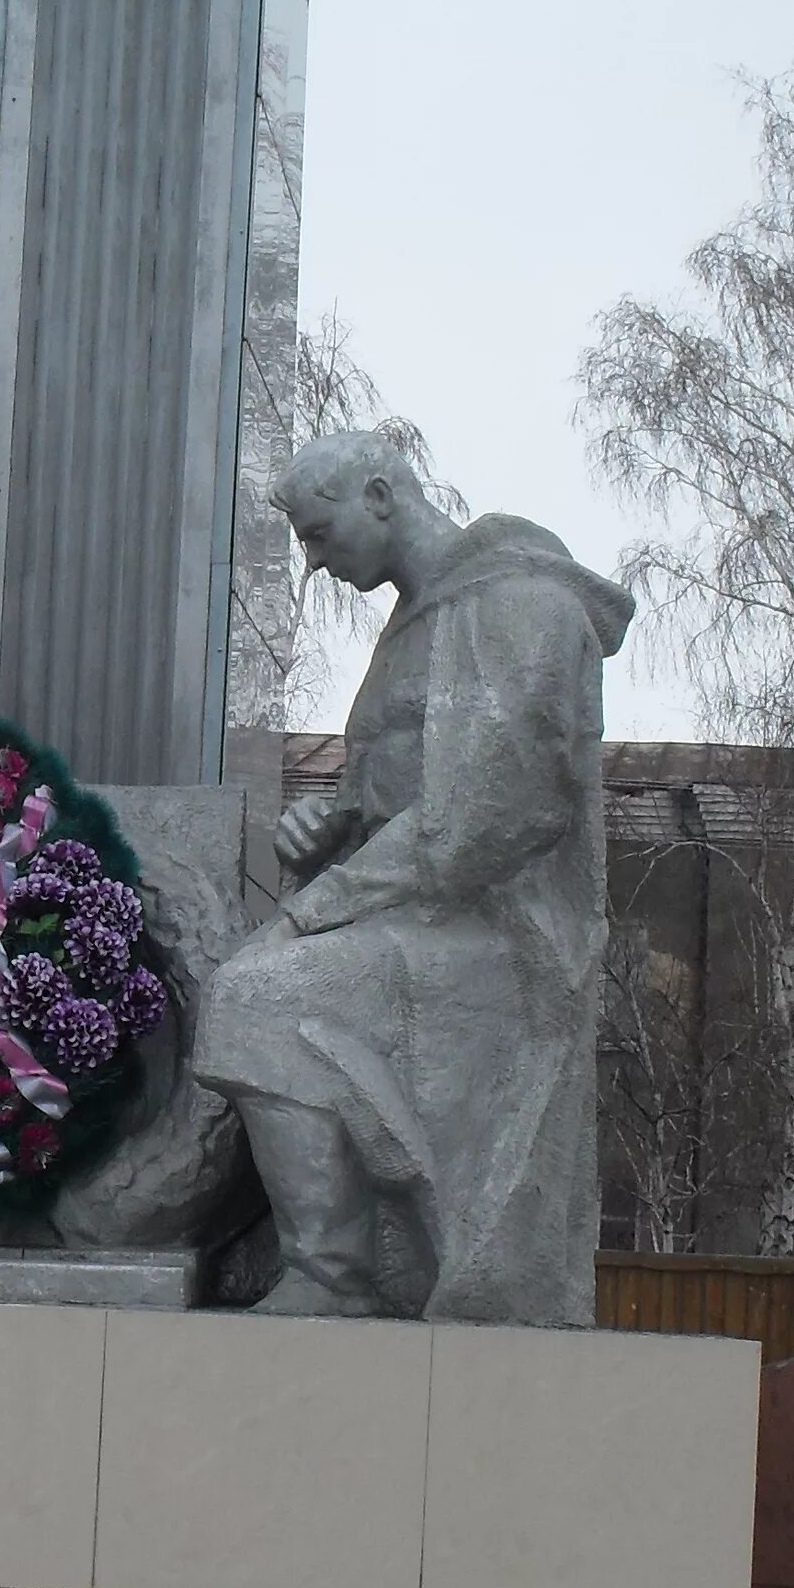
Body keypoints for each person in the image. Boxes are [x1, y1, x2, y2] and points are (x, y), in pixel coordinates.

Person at [194, 432, 632, 1324]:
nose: (314, 563)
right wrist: (330, 831)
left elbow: (493, 817)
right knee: (240, 984)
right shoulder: (416, 623)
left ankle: (335, 1275)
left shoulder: (523, 605)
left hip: (500, 935)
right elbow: (398, 794)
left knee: (254, 995)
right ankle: (329, 1264)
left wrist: (318, 905)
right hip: (416, 910)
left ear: (382, 496)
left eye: (320, 535)